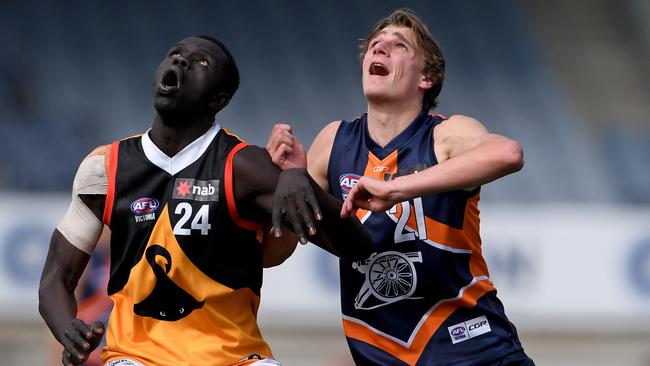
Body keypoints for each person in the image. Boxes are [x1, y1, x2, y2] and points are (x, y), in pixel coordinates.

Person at [39, 35, 371, 366]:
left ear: (219, 99)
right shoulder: (103, 168)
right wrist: (68, 329)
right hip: (135, 358)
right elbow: (56, 280)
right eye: (174, 53)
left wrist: (301, 178)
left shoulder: (246, 167)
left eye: (201, 62)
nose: (180, 60)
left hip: (235, 358)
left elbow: (356, 245)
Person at [266, 9, 534, 366]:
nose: (380, 49)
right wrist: (291, 181)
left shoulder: (445, 134)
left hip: (472, 348)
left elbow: (508, 153)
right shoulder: (333, 141)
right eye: (375, 45)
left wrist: (397, 189)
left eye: (398, 46)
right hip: (382, 355)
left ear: (428, 76)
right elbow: (272, 254)